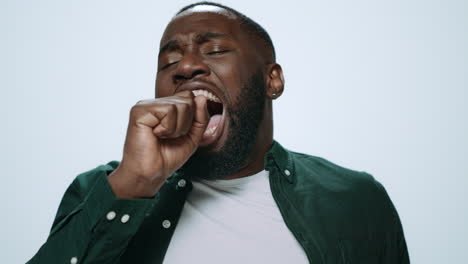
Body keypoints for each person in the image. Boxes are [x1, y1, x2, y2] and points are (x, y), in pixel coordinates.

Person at [28, 2, 409, 263]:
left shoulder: (355, 199)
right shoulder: (106, 189)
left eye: (213, 51)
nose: (187, 66)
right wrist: (134, 184)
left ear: (271, 80)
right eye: (170, 61)